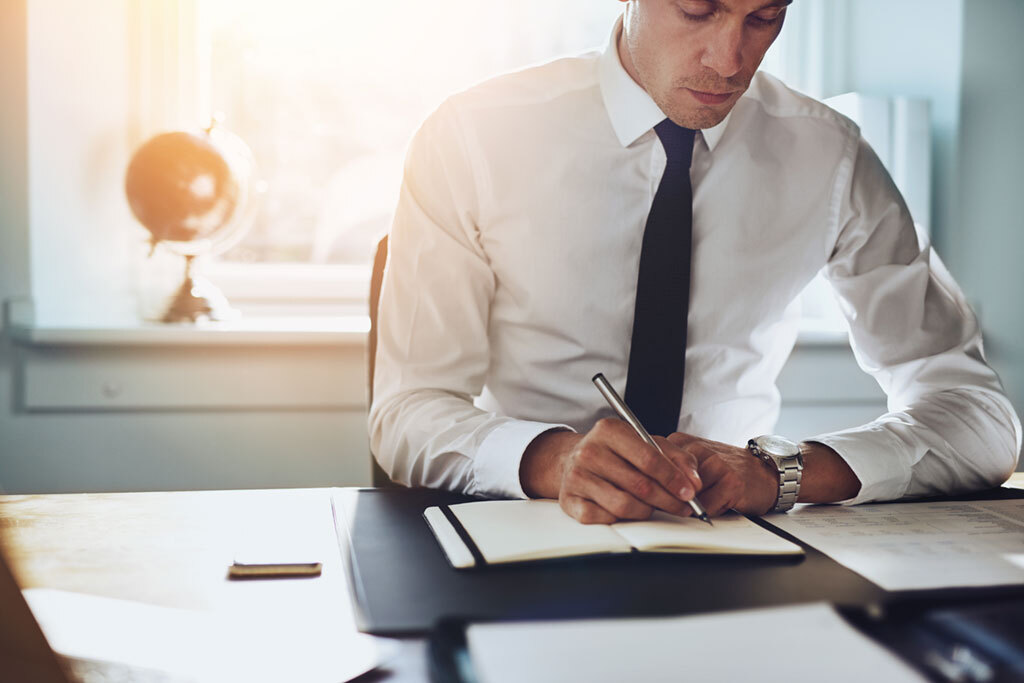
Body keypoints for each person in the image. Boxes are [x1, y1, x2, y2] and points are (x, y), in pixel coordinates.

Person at [368, 0, 1022, 523]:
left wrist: (780, 471)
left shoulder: (831, 156)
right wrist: (550, 458)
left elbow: (980, 420)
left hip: (736, 543)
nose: (730, 60)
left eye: (764, 18)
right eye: (697, 9)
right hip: (523, 529)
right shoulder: (472, 137)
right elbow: (406, 413)